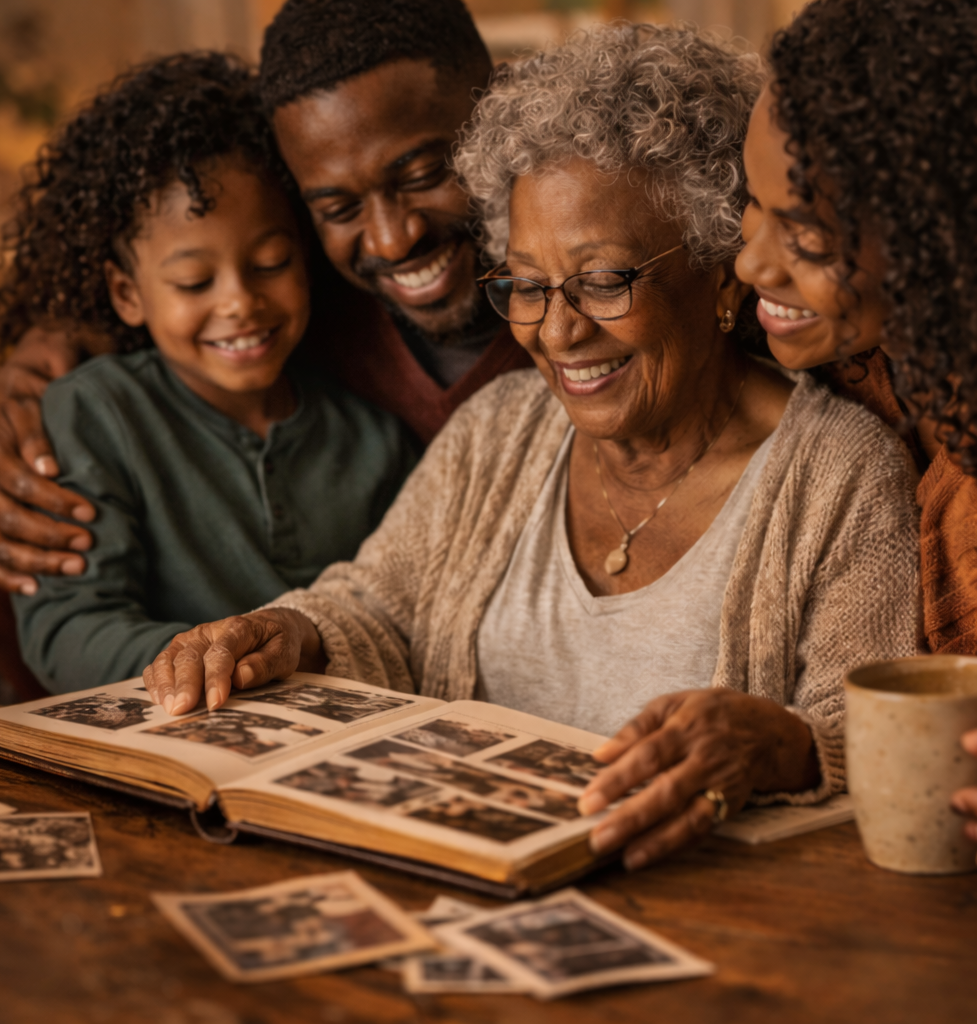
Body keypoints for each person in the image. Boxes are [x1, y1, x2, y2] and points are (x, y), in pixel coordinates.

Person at [141, 25, 922, 870]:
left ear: (722, 270)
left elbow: (880, 735)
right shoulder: (497, 429)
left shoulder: (840, 471)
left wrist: (788, 746)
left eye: (602, 280)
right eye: (525, 284)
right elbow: (377, 606)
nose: (555, 330)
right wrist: (289, 630)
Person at [0, 0, 532, 695]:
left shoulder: (376, 422)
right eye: (339, 208)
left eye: (420, 175)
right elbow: (66, 622)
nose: (388, 240)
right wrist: (3, 403)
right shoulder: (113, 400)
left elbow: (396, 606)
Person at [0, 53, 416, 692]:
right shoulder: (96, 413)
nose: (240, 303)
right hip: (162, 736)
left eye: (271, 263)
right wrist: (211, 662)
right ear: (126, 293)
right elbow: (68, 628)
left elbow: (404, 614)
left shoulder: (375, 441)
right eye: (194, 280)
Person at [732, 0, 977, 850]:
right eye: (748, 205)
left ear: (936, 236)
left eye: (802, 233)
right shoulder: (855, 365)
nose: (751, 260)